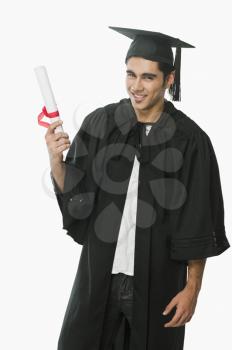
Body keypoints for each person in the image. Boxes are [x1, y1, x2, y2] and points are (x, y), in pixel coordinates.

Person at [45, 26, 230, 350]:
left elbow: (198, 217)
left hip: (158, 285)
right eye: (131, 74)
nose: (136, 86)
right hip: (99, 280)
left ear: (169, 79)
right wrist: (56, 160)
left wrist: (193, 288)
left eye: (148, 77)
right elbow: (76, 198)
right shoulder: (101, 124)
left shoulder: (191, 140)